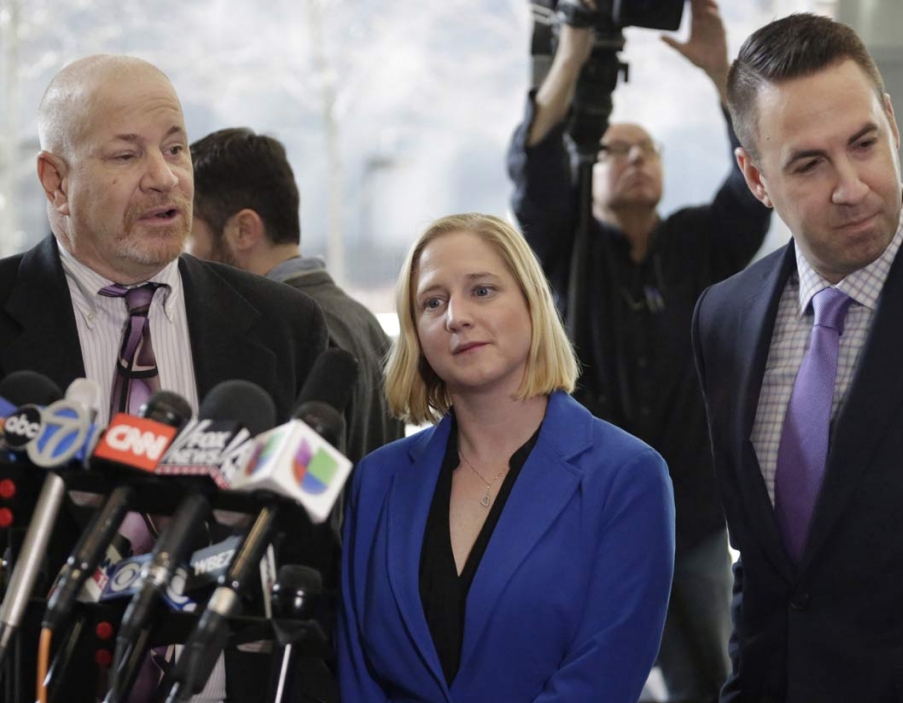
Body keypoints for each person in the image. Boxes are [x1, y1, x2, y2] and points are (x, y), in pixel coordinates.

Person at [692, 13, 903, 702]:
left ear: (892, 124)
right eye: (809, 163)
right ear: (755, 177)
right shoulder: (723, 318)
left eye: (863, 143)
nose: (851, 185)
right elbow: (769, 569)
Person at [0, 55, 332, 702]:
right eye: (126, 156)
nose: (166, 178)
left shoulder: (287, 326)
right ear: (56, 180)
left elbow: (322, 544)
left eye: (176, 148)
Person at [507, 0, 771, 698]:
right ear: (588, 170)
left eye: (645, 149)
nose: (632, 161)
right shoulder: (565, 248)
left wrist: (722, 71)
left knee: (711, 677)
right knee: (584, 675)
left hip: (695, 514)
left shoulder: (696, 244)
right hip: (590, 512)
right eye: (616, 150)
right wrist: (573, 51)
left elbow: (760, 182)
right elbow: (533, 164)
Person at [338, 213, 674, 702]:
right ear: (416, 333)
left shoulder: (627, 475)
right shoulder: (377, 480)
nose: (457, 316)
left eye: (482, 291)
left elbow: (601, 676)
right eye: (433, 302)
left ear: (533, 303)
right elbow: (357, 673)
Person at [188, 127, 404, 464]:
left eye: (188, 235)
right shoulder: (363, 320)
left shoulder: (279, 337)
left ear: (243, 230)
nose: (182, 258)